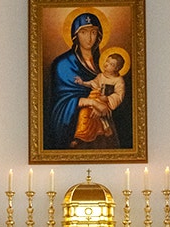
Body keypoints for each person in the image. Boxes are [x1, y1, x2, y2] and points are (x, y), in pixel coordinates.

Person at [45, 12, 128, 151]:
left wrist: (106, 103)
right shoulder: (62, 64)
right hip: (75, 128)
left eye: (93, 32)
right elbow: (61, 101)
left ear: (99, 35)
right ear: (75, 35)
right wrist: (93, 103)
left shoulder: (104, 64)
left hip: (104, 128)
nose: (89, 38)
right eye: (84, 32)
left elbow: (117, 93)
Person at [71, 52, 126, 147]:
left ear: (117, 68)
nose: (107, 64)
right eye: (107, 62)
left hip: (105, 103)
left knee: (96, 114)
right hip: (94, 99)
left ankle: (104, 126)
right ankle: (80, 136)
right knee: (84, 113)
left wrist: (107, 98)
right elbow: (93, 83)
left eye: (111, 64)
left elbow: (119, 96)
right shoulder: (101, 76)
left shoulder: (118, 81)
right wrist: (82, 83)